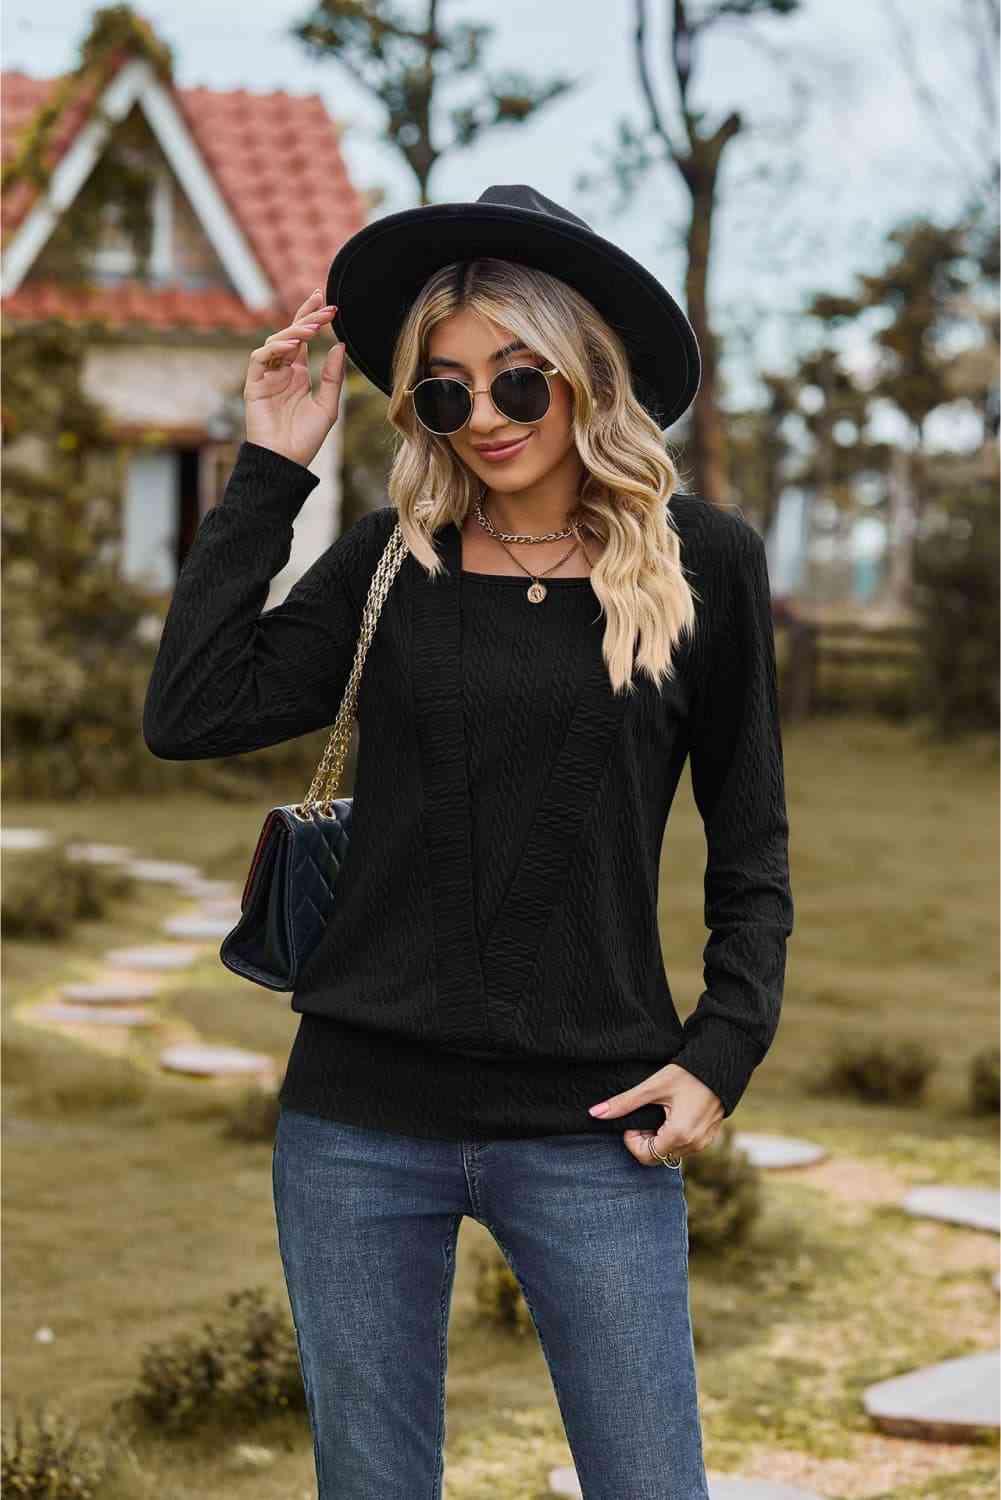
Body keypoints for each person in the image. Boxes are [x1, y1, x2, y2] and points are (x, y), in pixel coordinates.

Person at [142, 184, 793, 1500]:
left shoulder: (702, 565)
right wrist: (271, 467)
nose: (483, 417)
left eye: (516, 381)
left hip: (596, 1123)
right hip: (356, 1122)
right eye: (444, 392)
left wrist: (721, 1050)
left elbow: (751, 847)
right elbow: (192, 710)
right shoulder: (395, 560)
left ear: (584, 374)